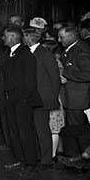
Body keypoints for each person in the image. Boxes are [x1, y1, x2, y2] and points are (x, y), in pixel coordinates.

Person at [1, 25, 41, 171]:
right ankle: (19, 159)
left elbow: (30, 82)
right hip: (11, 98)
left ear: (12, 37)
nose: (3, 39)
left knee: (25, 132)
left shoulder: (26, 55)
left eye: (5, 36)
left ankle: (30, 162)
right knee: (14, 131)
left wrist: (23, 99)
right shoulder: (10, 53)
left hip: (22, 100)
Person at [24, 27, 62, 169]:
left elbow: (55, 79)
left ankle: (46, 160)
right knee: (33, 129)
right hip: (31, 98)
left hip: (43, 99)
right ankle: (37, 156)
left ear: (28, 37)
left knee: (42, 130)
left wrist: (53, 99)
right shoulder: (27, 53)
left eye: (23, 36)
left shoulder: (45, 54)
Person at [58, 26, 90, 136]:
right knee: (70, 129)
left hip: (77, 100)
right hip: (70, 98)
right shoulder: (70, 48)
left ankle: (76, 152)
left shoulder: (81, 50)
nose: (59, 40)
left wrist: (65, 74)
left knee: (76, 130)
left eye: (61, 37)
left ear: (72, 36)